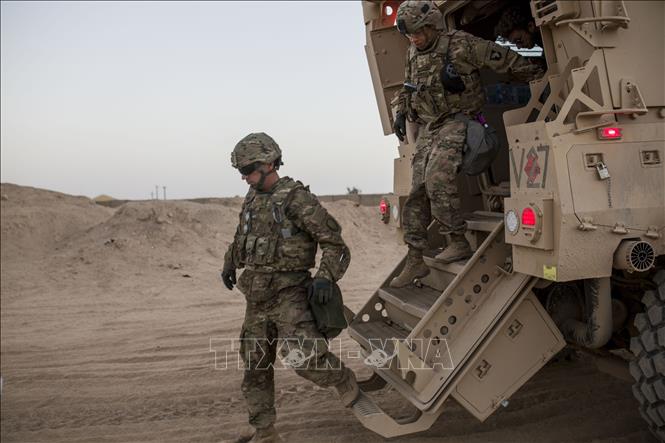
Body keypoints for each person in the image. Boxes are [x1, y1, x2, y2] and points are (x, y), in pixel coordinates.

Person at [390, 0, 543, 288]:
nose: (414, 39)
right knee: (417, 191)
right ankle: (414, 259)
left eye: (418, 33)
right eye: (410, 35)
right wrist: (401, 112)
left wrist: (541, 81)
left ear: (431, 25)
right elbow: (408, 85)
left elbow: (505, 59)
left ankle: (457, 240)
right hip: (431, 124)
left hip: (460, 120)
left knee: (437, 179)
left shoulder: (460, 44)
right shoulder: (413, 52)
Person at [221, 133, 359, 443]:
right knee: (254, 366)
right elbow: (242, 234)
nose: (244, 178)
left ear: (270, 163)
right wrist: (230, 261)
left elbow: (335, 244)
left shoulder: (297, 199)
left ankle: (342, 377)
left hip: (289, 295)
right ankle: (265, 432)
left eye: (249, 170)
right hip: (256, 297)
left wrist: (325, 276)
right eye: (240, 171)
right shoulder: (253, 196)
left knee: (304, 360)